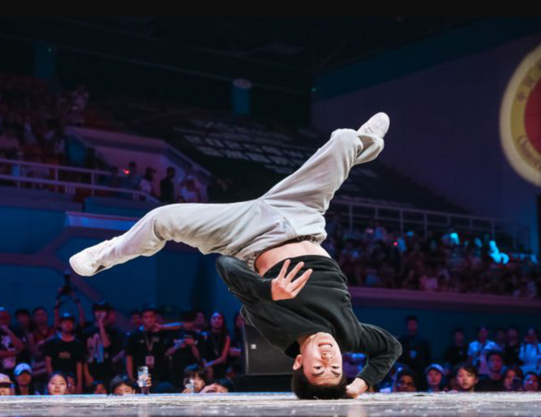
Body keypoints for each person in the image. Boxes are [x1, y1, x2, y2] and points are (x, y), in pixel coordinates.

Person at [70, 113, 401, 399]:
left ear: (299, 362)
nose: (328, 357)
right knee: (344, 139)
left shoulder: (279, 331)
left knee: (162, 219)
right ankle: (367, 143)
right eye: (336, 366)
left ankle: (107, 255)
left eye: (318, 367)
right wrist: (359, 385)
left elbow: (226, 265)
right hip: (301, 213)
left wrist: (267, 290)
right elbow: (389, 349)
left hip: (247, 236)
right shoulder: (351, 334)